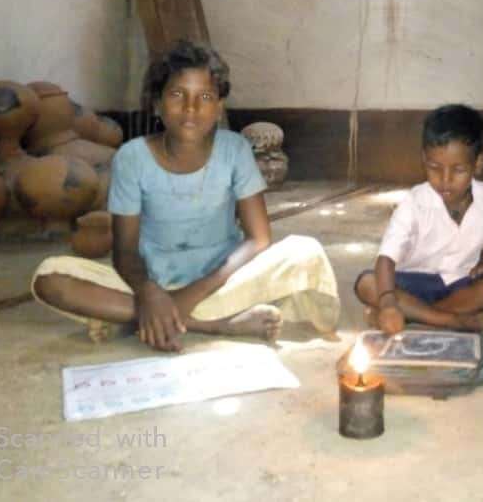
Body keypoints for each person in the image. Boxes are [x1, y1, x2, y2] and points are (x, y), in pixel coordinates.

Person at [32, 40, 340, 352]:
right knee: (50, 278)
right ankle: (215, 324)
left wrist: (190, 295)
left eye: (205, 97)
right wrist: (149, 292)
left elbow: (258, 239)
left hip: (223, 279)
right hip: (152, 280)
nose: (191, 107)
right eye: (177, 94)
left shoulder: (235, 150)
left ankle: (140, 317)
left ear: (218, 108)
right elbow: (124, 252)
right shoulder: (132, 158)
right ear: (157, 103)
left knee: (305, 251)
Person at [354, 104, 483, 334]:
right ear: (424, 159)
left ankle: (415, 316)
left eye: (458, 170)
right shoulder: (414, 202)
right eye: (434, 167)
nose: (445, 179)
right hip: (414, 283)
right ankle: (452, 321)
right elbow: (386, 257)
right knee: (367, 283)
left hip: (460, 283)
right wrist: (388, 302)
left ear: (477, 164)